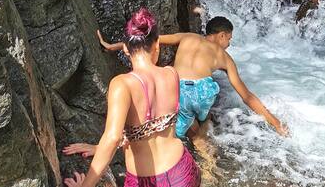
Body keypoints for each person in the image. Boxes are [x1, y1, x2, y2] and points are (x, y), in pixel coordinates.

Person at [64, 8, 213, 187]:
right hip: (181, 171)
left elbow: (113, 137)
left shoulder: (121, 84)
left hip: (146, 186)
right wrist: (100, 147)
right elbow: (156, 126)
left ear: (125, 49)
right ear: (156, 45)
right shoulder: (172, 74)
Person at [98, 16, 289, 140]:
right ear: (222, 35)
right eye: (229, 39)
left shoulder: (187, 37)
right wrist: (276, 123)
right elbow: (247, 96)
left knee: (172, 131)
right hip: (202, 93)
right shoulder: (225, 58)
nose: (229, 44)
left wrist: (114, 46)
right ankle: (204, 145)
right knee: (204, 118)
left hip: (178, 90)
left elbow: (148, 41)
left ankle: (191, 141)